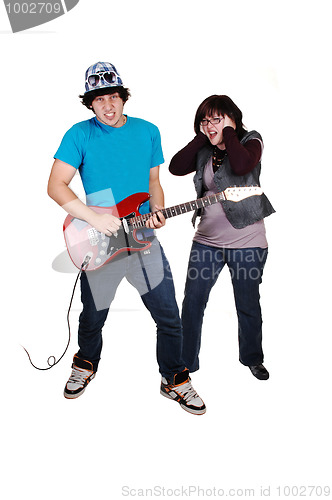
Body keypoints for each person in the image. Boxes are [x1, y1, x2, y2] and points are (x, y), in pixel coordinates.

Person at [47, 61, 205, 415]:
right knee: (92, 316)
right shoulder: (79, 134)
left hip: (144, 238)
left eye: (113, 96)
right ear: (90, 103)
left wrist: (159, 209)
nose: (107, 105)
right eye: (99, 99)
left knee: (168, 314)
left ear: (123, 97)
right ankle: (86, 364)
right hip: (100, 242)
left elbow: (152, 183)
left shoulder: (148, 131)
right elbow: (55, 185)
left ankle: (175, 379)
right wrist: (94, 218)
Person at [169, 95, 275, 380]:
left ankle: (252, 358)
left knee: (247, 302)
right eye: (205, 120)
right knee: (192, 301)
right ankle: (185, 362)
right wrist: (200, 138)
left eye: (216, 119)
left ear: (231, 119)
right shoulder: (205, 148)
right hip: (206, 241)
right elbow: (176, 167)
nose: (209, 125)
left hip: (248, 242)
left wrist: (229, 132)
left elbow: (241, 166)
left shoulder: (251, 141)